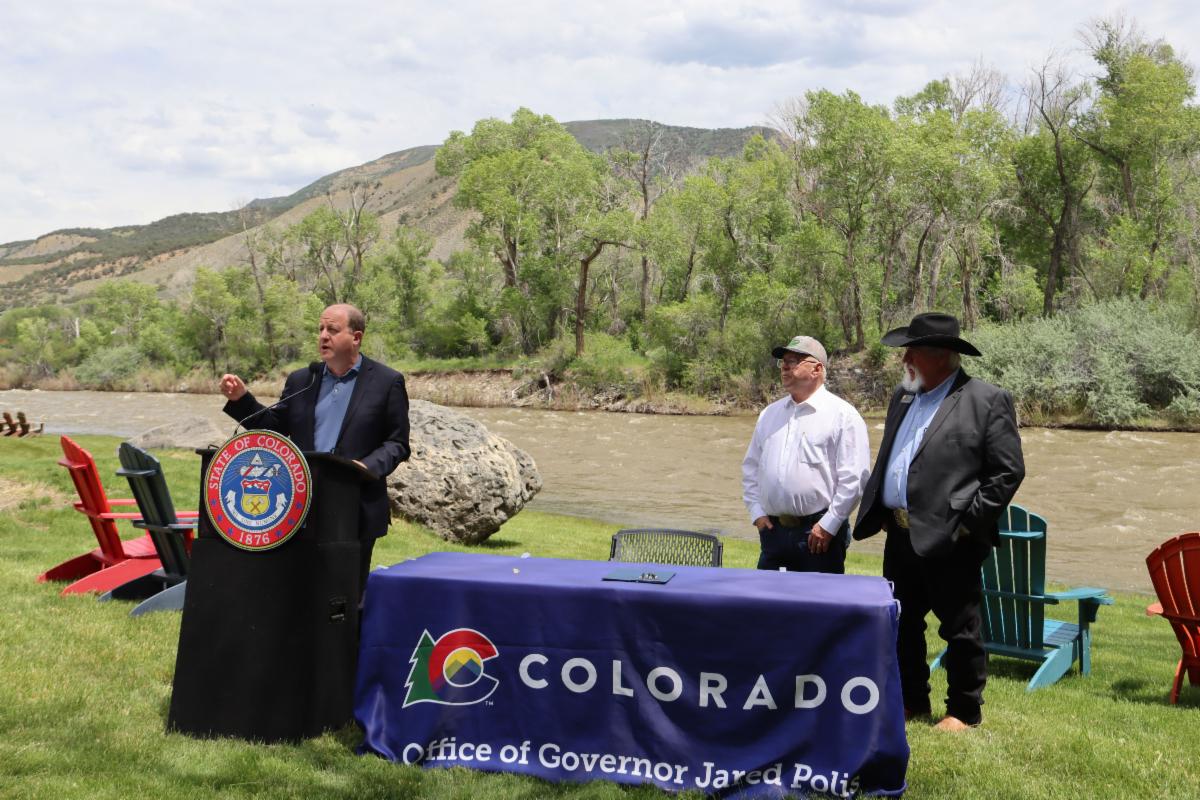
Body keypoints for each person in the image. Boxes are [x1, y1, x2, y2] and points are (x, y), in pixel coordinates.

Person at [852, 312, 1024, 732]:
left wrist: (967, 523)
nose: (903, 358)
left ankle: (964, 712)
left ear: (941, 355)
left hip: (953, 539)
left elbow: (1007, 472)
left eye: (911, 350)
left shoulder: (985, 399)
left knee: (960, 629)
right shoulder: (903, 397)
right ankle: (912, 701)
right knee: (901, 624)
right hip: (901, 533)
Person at [219, 303, 411, 588]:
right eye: (320, 329)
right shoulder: (302, 379)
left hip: (354, 503)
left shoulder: (386, 382)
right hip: (300, 502)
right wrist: (242, 399)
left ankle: (348, 634)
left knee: (346, 591)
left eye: (332, 330)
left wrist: (366, 466)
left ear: (356, 337)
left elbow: (397, 442)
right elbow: (275, 429)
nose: (323, 336)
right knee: (299, 587)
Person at [741, 335, 870, 574]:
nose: (786, 366)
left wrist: (829, 525)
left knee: (819, 608)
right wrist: (756, 513)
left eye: (794, 360)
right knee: (765, 606)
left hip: (818, 536)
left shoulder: (843, 416)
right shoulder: (770, 414)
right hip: (773, 533)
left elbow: (854, 480)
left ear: (817, 369)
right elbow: (751, 468)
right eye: (783, 362)